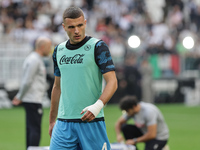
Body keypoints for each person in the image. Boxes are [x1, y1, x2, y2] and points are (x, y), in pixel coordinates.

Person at [49, 6, 118, 150]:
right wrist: (51, 121)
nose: (76, 31)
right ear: (64, 27)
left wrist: (97, 107)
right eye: (71, 27)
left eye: (80, 25)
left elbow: (112, 82)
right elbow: (57, 87)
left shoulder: (98, 47)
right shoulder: (58, 50)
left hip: (91, 120)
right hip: (63, 123)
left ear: (85, 23)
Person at [12, 36, 52, 149]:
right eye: (49, 47)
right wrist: (20, 96)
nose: (50, 50)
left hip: (32, 99)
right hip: (33, 99)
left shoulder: (34, 59)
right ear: (42, 47)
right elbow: (27, 81)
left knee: (31, 128)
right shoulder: (34, 60)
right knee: (35, 129)